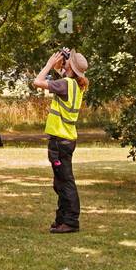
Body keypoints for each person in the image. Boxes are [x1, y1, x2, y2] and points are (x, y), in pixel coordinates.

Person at [32, 48, 89, 233]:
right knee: (61, 182)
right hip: (67, 139)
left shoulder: (65, 84)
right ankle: (62, 219)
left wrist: (49, 64)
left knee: (65, 182)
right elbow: (64, 78)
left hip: (60, 141)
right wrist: (60, 66)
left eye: (66, 62)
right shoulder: (76, 85)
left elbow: (37, 82)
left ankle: (71, 221)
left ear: (70, 68)